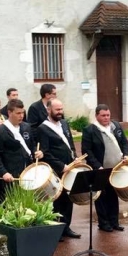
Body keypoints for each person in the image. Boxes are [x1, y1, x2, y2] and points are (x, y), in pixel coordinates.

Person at [81, 104, 128, 232]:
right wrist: (98, 166)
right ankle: (104, 223)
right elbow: (87, 151)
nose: (106, 118)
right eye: (103, 115)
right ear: (96, 116)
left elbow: (124, 142)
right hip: (101, 169)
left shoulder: (116, 126)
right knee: (101, 197)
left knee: (114, 195)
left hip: (116, 168)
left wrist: (125, 155)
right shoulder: (90, 130)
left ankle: (114, 222)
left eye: (108, 115)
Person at [38, 99, 81, 239]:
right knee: (56, 201)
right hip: (56, 170)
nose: (60, 112)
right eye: (57, 110)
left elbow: (70, 143)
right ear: (48, 110)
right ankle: (56, 230)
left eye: (61, 109)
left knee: (68, 198)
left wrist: (74, 156)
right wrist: (61, 166)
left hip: (70, 167)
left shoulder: (64, 123)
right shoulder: (42, 128)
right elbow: (46, 153)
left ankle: (66, 226)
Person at [0, 99, 43, 197]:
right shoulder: (0, 130)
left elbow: (32, 145)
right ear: (9, 112)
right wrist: (3, 172)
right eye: (18, 113)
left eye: (22, 112)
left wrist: (37, 152)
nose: (21, 116)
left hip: (28, 171)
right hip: (12, 175)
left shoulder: (27, 126)